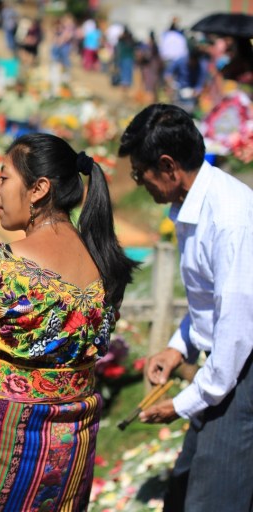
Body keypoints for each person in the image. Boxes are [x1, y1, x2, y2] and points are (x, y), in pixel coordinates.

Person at [0, 133, 137, 511]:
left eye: (4, 178)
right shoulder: (107, 266)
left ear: (38, 189)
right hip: (70, 439)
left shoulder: (1, 264)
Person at [118, 104, 253, 511]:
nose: (141, 185)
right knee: (184, 491)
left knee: (212, 500)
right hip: (227, 368)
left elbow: (236, 327)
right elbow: (208, 300)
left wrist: (183, 403)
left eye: (140, 175)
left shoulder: (230, 217)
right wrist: (179, 348)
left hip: (241, 371)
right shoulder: (193, 204)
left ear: (168, 166)